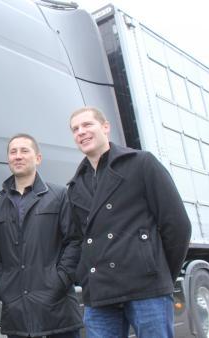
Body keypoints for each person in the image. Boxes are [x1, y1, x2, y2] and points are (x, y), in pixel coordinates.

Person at [67, 107, 191, 338]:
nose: (81, 132)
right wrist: (85, 276)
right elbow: (77, 240)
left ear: (105, 127)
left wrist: (159, 272)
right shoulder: (75, 186)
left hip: (146, 287)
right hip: (100, 293)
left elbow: (177, 225)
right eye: (75, 129)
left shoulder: (141, 163)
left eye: (87, 125)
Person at [0, 133, 82, 338]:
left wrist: (59, 281)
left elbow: (75, 241)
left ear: (38, 158)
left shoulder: (59, 196)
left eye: (24, 150)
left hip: (58, 310)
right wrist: (2, 286)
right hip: (17, 313)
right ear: (8, 159)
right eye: (13, 152)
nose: (18, 156)